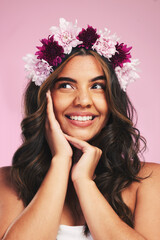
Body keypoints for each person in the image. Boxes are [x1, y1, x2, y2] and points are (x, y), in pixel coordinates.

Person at [0, 18, 160, 240]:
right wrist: (61, 161)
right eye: (66, 85)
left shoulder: (149, 182)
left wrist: (84, 182)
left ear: (113, 98)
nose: (83, 100)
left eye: (97, 86)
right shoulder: (7, 183)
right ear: (44, 97)